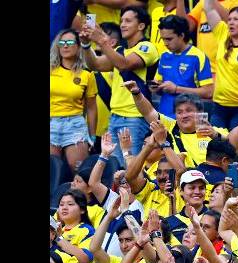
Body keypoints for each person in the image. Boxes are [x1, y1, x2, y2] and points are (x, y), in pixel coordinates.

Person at [80, 6, 160, 164]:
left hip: (135, 117)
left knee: (130, 166)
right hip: (115, 116)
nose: (123, 24)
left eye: (128, 21)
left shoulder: (147, 47)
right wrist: (86, 45)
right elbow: (95, 64)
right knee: (115, 167)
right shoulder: (118, 50)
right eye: (121, 20)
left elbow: (124, 64)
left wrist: (102, 42)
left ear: (141, 26)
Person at [50, 29, 97, 174]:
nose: (65, 46)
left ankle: (81, 197)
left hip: (75, 124)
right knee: (52, 170)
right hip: (51, 122)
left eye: (70, 42)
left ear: (78, 46)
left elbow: (91, 108)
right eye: (62, 43)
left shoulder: (86, 74)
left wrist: (92, 135)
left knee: (79, 170)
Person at [153, 15, 214, 118]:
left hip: (188, 119)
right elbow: (159, 85)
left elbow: (208, 92)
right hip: (165, 117)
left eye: (169, 39)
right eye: (163, 39)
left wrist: (177, 89)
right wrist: (156, 87)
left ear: (181, 35)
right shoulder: (164, 55)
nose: (165, 43)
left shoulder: (197, 56)